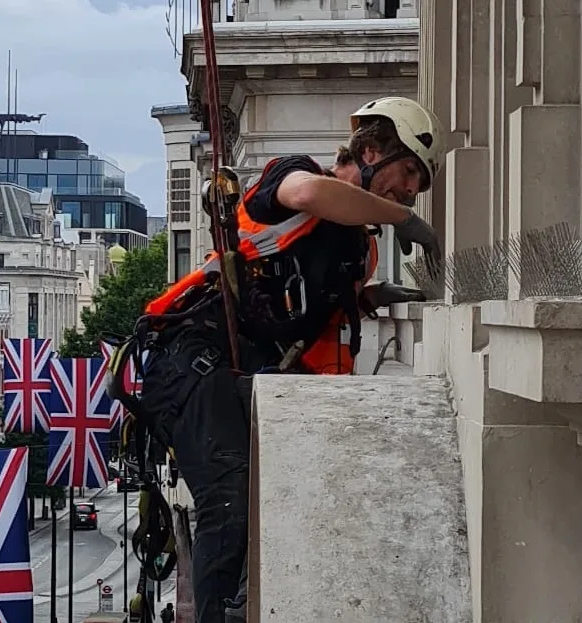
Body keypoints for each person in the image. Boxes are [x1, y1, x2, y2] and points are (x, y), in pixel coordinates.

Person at [133, 96, 446, 623]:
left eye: (417, 184)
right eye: (410, 170)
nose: (412, 188)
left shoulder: (356, 250)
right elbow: (314, 195)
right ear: (370, 150)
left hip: (241, 373)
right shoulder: (293, 177)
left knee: (265, 504)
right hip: (190, 358)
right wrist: (403, 218)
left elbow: (306, 314)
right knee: (229, 501)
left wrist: (373, 295)